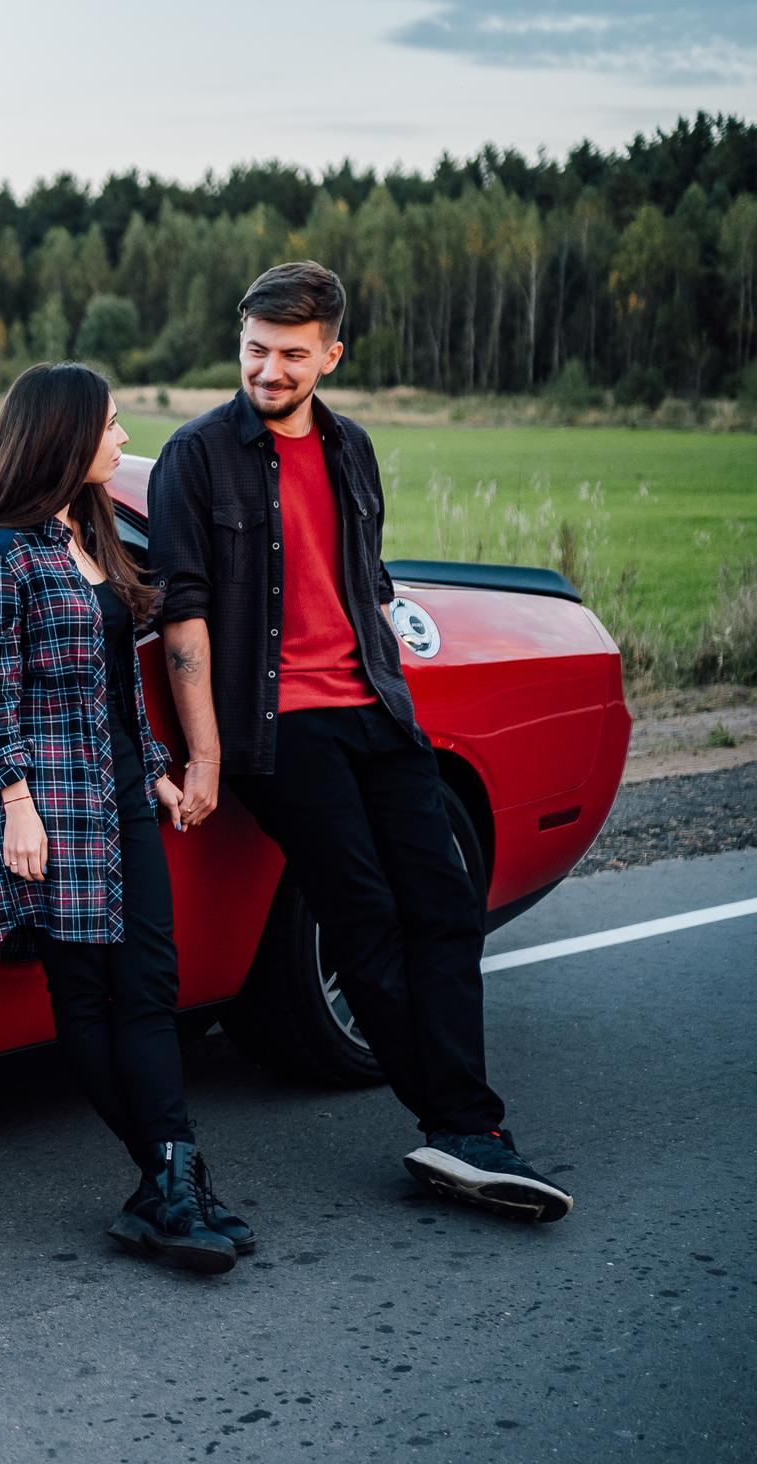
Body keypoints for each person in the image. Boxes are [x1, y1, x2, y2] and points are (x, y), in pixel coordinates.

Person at [147, 261, 572, 1223]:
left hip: (377, 709)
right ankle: (463, 1125)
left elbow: (366, 582)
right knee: (366, 916)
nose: (269, 370)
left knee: (447, 905)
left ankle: (464, 1129)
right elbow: (183, 615)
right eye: (256, 349)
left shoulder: (352, 448)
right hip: (280, 726)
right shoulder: (196, 455)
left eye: (293, 355)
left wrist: (393, 686)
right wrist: (207, 756)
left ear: (332, 356)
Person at [0, 361, 253, 1274]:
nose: (122, 439)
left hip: (120, 797)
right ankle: (173, 1184)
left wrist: (155, 770)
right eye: (111, 425)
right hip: (54, 806)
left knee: (151, 987)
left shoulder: (94, 532)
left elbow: (118, 686)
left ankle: (170, 1185)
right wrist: (16, 806)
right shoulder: (1, 554)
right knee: (84, 995)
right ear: (65, 436)